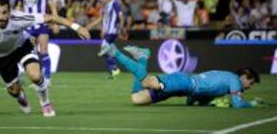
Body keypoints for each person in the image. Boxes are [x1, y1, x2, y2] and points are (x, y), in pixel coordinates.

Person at [0, 0, 90, 117]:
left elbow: (50, 18)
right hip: (2, 56)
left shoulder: (18, 18)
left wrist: (77, 27)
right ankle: (20, 96)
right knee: (14, 90)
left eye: (4, 12)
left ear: (10, 11)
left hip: (22, 46)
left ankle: (45, 103)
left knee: (35, 76)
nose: (1, 17)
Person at [98, 44, 263, 108]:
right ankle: (115, 52)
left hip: (184, 87)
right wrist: (254, 103)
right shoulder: (234, 80)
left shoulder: (227, 79)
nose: (249, 86)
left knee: (136, 99)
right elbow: (238, 104)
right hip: (183, 82)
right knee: (147, 81)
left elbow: (196, 98)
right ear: (245, 76)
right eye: (251, 82)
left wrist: (206, 104)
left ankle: (142, 57)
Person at [16, 0, 58, 82]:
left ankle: (47, 78)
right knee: (27, 54)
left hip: (42, 25)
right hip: (28, 27)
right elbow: (19, 5)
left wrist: (55, 22)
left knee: (43, 51)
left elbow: (52, 5)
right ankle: (32, 76)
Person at [87, 0, 124, 79]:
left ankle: (114, 68)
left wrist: (121, 27)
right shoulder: (106, 6)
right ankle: (113, 71)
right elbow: (102, 19)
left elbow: (121, 16)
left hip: (112, 30)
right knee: (107, 50)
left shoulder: (115, 3)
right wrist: (91, 25)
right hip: (107, 31)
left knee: (104, 47)